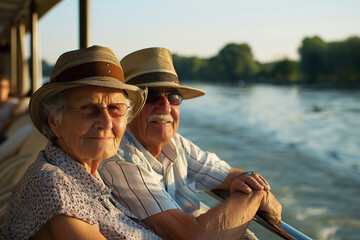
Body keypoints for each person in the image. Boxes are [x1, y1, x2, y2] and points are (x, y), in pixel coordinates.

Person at [99, 47, 282, 239]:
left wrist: (250, 181)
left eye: (173, 97)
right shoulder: (119, 157)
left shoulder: (177, 144)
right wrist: (258, 196)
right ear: (127, 107)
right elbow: (193, 237)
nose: (165, 106)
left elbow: (231, 174)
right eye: (150, 96)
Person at [0, 45, 161, 240]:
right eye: (88, 107)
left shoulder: (87, 175)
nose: (106, 122)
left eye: (115, 108)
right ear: (54, 122)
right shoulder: (55, 189)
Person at [0, 76, 19, 143]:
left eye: (4, 87)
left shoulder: (13, 103)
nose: (1, 89)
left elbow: (20, 114)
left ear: (8, 89)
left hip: (3, 136)